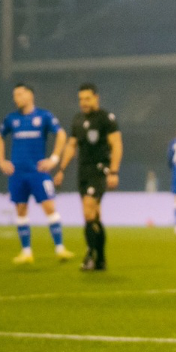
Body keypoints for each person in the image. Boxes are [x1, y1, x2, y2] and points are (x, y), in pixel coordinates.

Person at [0, 83, 72, 264]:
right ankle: (26, 252)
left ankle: (60, 248)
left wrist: (53, 158)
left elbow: (61, 134)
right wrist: (1, 160)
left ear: (30, 95)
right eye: (14, 95)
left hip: (39, 172)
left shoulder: (44, 116)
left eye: (20, 94)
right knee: (20, 209)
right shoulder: (11, 119)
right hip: (18, 173)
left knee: (49, 207)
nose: (16, 98)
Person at [55, 83, 121, 271]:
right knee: (94, 217)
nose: (83, 102)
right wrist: (62, 169)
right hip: (83, 172)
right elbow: (71, 145)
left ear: (96, 98)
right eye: (81, 99)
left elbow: (117, 144)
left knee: (88, 211)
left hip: (99, 170)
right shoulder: (77, 120)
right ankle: (101, 259)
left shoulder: (106, 118)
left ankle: (90, 255)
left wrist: (114, 171)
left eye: (87, 98)